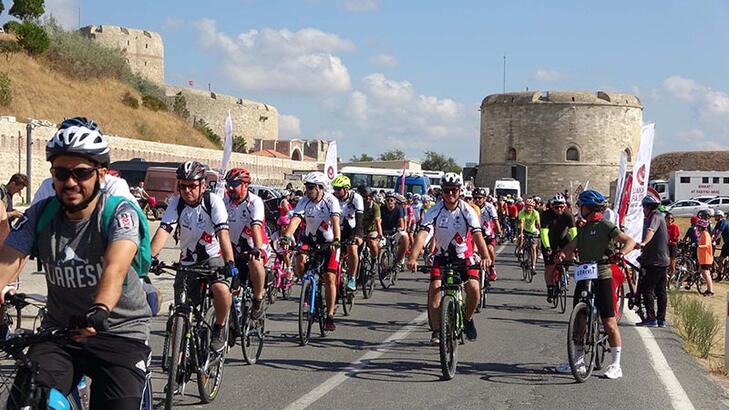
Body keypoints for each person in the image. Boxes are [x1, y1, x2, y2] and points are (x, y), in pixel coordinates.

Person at [0, 117, 152, 408]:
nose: (70, 182)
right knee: (26, 401)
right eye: (61, 172)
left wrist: (100, 310)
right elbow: (6, 263)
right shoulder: (40, 214)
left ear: (101, 175)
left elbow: (115, 268)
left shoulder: (118, 213)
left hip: (119, 333)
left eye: (81, 173)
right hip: (61, 333)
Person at [150, 160, 236, 352]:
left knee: (221, 290)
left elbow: (223, 234)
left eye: (192, 186)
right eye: (182, 186)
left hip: (212, 258)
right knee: (183, 308)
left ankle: (220, 327)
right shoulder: (176, 203)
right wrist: (149, 257)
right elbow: (164, 231)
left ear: (203, 186)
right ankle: (180, 358)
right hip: (187, 261)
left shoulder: (212, 202)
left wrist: (230, 262)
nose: (187, 190)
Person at [555, 189, 636, 379]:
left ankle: (616, 364)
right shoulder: (583, 230)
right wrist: (561, 255)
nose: (579, 210)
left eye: (582, 206)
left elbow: (629, 241)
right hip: (584, 275)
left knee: (608, 321)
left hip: (602, 274)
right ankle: (578, 361)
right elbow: (570, 248)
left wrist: (622, 253)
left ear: (590, 208)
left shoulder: (605, 226)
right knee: (579, 319)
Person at [407, 173, 491, 344]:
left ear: (460, 191)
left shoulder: (467, 210)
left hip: (463, 257)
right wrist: (413, 257)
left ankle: (467, 319)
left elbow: (477, 235)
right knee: (435, 288)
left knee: (474, 289)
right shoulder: (434, 210)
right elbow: (423, 234)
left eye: (454, 190)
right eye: (447, 190)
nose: (450, 194)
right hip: (441, 256)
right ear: (442, 192)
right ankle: (437, 331)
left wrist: (485, 256)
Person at [280, 171, 341, 331]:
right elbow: (296, 219)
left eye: (311, 187)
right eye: (306, 187)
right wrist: (286, 236)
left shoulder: (330, 200)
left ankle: (329, 316)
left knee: (329, 278)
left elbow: (335, 221)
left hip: (329, 242)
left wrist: (336, 239)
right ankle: (307, 287)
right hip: (310, 240)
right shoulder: (304, 201)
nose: (307, 190)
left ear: (320, 188)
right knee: (299, 260)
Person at [224, 167, 270, 319]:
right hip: (233, 247)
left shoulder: (254, 202)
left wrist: (257, 249)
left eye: (234, 184)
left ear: (245, 185)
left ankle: (258, 298)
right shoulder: (225, 201)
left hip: (255, 244)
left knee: (255, 262)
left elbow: (256, 227)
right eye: (228, 183)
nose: (230, 187)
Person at [635, 195, 670, 327]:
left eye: (644, 207)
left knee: (647, 289)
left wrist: (643, 243)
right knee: (661, 290)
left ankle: (651, 318)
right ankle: (661, 319)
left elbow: (651, 231)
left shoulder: (655, 216)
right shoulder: (659, 216)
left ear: (648, 207)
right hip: (661, 260)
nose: (643, 210)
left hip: (655, 261)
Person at [540, 194, 576, 303]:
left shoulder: (568, 215)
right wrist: (547, 247)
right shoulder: (546, 215)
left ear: (565, 206)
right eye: (556, 207)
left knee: (571, 252)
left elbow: (574, 232)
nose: (559, 209)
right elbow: (544, 233)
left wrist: (576, 247)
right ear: (552, 206)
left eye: (561, 207)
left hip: (563, 238)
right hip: (550, 240)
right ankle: (550, 289)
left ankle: (565, 268)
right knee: (550, 267)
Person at [331, 174, 364, 291]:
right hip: (337, 228)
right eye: (334, 188)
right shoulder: (332, 197)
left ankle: (352, 277)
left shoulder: (356, 198)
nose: (336, 191)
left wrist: (358, 235)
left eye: (338, 189)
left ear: (346, 189)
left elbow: (360, 219)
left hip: (352, 229)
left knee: (352, 249)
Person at [473, 188, 500, 280]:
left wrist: (499, 232)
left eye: (480, 198)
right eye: (475, 198)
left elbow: (495, 220)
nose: (478, 200)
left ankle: (492, 267)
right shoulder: (471, 207)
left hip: (488, 234)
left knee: (490, 249)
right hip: (475, 235)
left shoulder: (489, 207)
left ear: (484, 198)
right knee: (473, 253)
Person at [380, 191, 410, 271]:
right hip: (384, 232)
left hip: (395, 232)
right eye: (387, 200)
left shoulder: (399, 209)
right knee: (380, 247)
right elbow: (378, 220)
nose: (389, 202)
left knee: (405, 236)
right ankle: (383, 265)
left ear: (395, 201)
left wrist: (400, 228)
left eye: (391, 200)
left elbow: (401, 222)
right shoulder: (381, 208)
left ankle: (399, 260)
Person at [0, 173, 28, 242]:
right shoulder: (1, 193)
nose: (19, 192)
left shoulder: (8, 195)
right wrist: (12, 214)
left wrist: (15, 213)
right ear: (12, 184)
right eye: (18, 189)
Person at [359, 186, 383, 261]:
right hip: (360, 229)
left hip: (372, 229)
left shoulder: (375, 206)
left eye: (370, 196)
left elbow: (377, 221)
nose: (368, 198)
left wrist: (380, 234)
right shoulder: (358, 205)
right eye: (365, 197)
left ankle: (373, 260)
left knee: (372, 242)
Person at [517, 198, 541, 272]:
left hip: (533, 231)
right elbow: (521, 223)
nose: (528, 208)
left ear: (533, 207)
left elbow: (538, 224)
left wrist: (541, 232)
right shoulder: (522, 212)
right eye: (527, 206)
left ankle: (533, 266)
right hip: (524, 230)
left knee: (533, 248)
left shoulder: (535, 213)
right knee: (520, 237)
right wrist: (521, 233)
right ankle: (520, 250)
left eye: (530, 206)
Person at [696, 219, 715, 296]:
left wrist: (699, 246)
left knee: (706, 274)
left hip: (706, 258)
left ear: (701, 227)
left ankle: (710, 290)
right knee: (704, 273)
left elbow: (707, 245)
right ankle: (708, 289)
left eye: (698, 226)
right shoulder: (703, 234)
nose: (697, 228)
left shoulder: (706, 234)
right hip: (703, 258)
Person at [666, 212, 680, 277]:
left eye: (671, 218)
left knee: (672, 262)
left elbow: (676, 236)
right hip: (666, 245)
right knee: (666, 260)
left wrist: (673, 239)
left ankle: (673, 274)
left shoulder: (674, 226)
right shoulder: (664, 226)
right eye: (668, 218)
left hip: (673, 245)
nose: (670, 219)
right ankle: (668, 274)